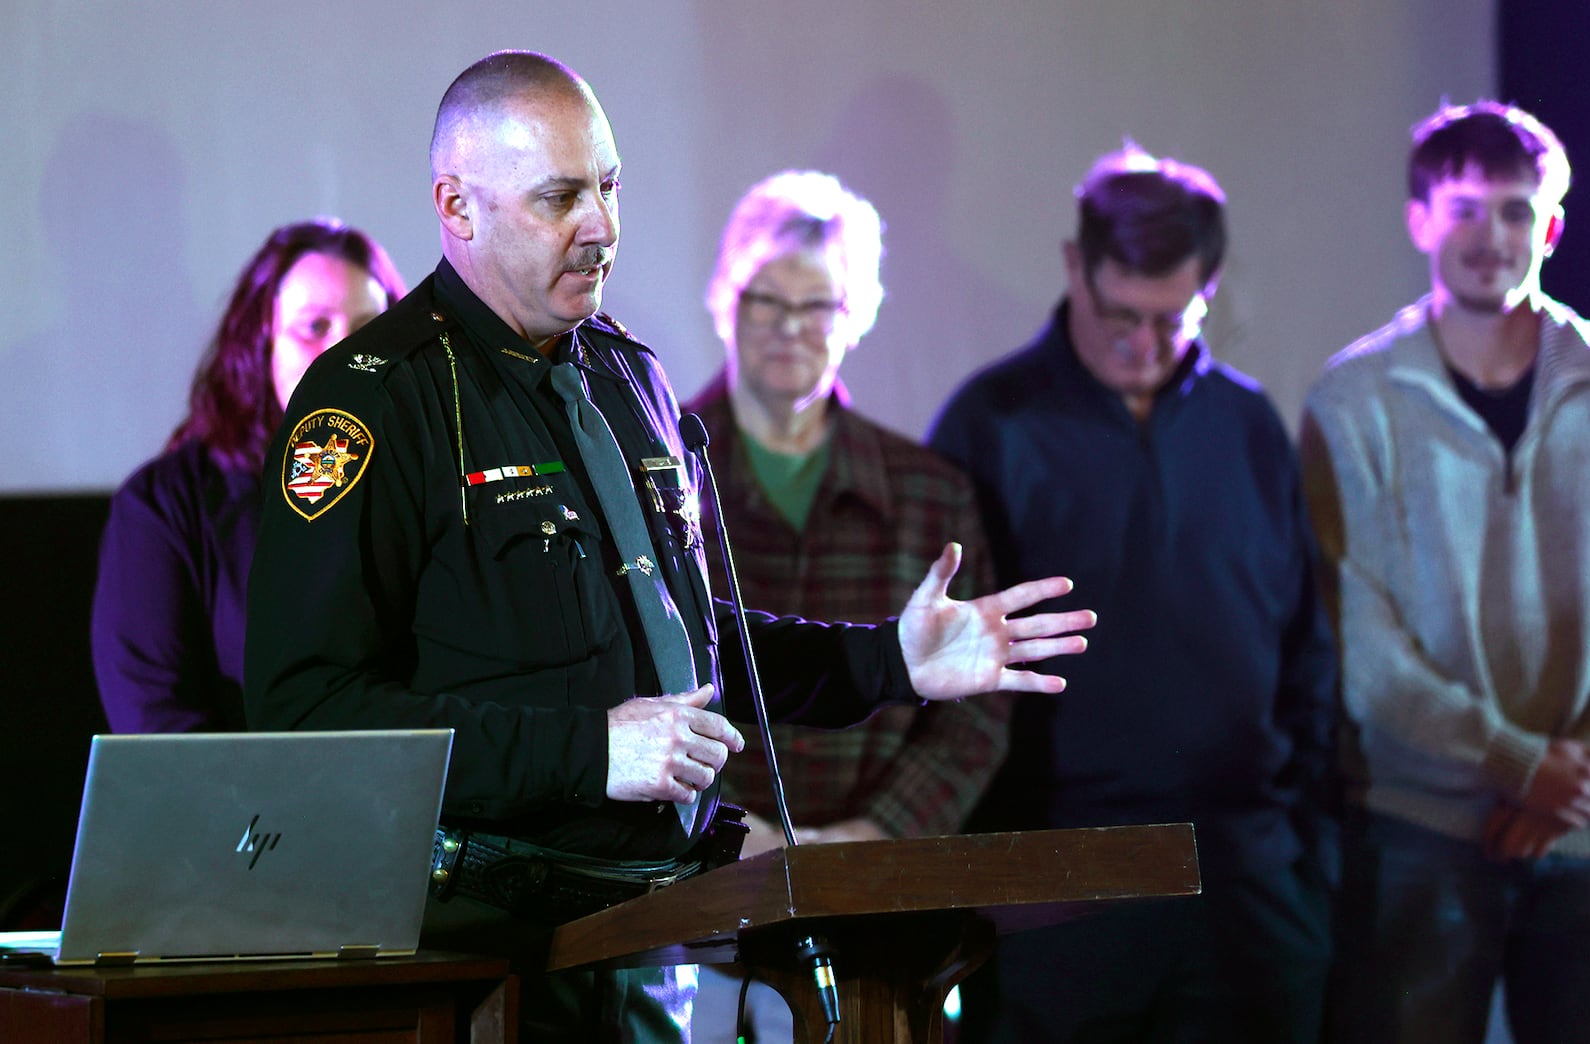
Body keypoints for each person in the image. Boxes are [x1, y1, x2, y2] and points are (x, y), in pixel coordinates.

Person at [242, 51, 1096, 1042]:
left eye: (608, 186)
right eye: (559, 197)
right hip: (486, 957)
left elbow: (681, 645)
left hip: (668, 937)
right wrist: (590, 748)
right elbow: (308, 712)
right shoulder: (373, 399)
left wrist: (885, 661)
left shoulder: (629, 377)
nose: (600, 226)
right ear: (456, 205)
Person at [929, 147, 1338, 1043]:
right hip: (1061, 885)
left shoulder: (1247, 424)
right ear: (1075, 266)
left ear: (1209, 285)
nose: (1144, 346)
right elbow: (947, 681)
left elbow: (1306, 651)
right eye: (1120, 315)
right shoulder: (990, 425)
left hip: (1248, 881)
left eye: (1175, 319)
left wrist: (1309, 862)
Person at [681, 170, 1011, 1041]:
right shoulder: (653, 482)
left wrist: (874, 834)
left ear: (857, 317)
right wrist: (725, 829)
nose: (789, 329)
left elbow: (977, 716)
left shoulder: (929, 493)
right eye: (766, 301)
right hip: (696, 909)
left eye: (818, 307)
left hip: (887, 914)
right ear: (724, 300)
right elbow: (628, 678)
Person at [1301, 101, 1590, 1044]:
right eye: (1465, 208)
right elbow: (1360, 639)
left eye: (1516, 212)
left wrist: (1575, 783)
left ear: (1550, 227)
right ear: (1420, 219)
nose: (1490, 238)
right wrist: (1519, 765)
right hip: (1418, 826)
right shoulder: (1353, 398)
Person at [91, 219, 404, 733]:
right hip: (239, 810)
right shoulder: (163, 505)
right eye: (314, 327)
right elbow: (156, 725)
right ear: (260, 349)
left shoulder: (427, 483)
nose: (348, 356)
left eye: (369, 328)